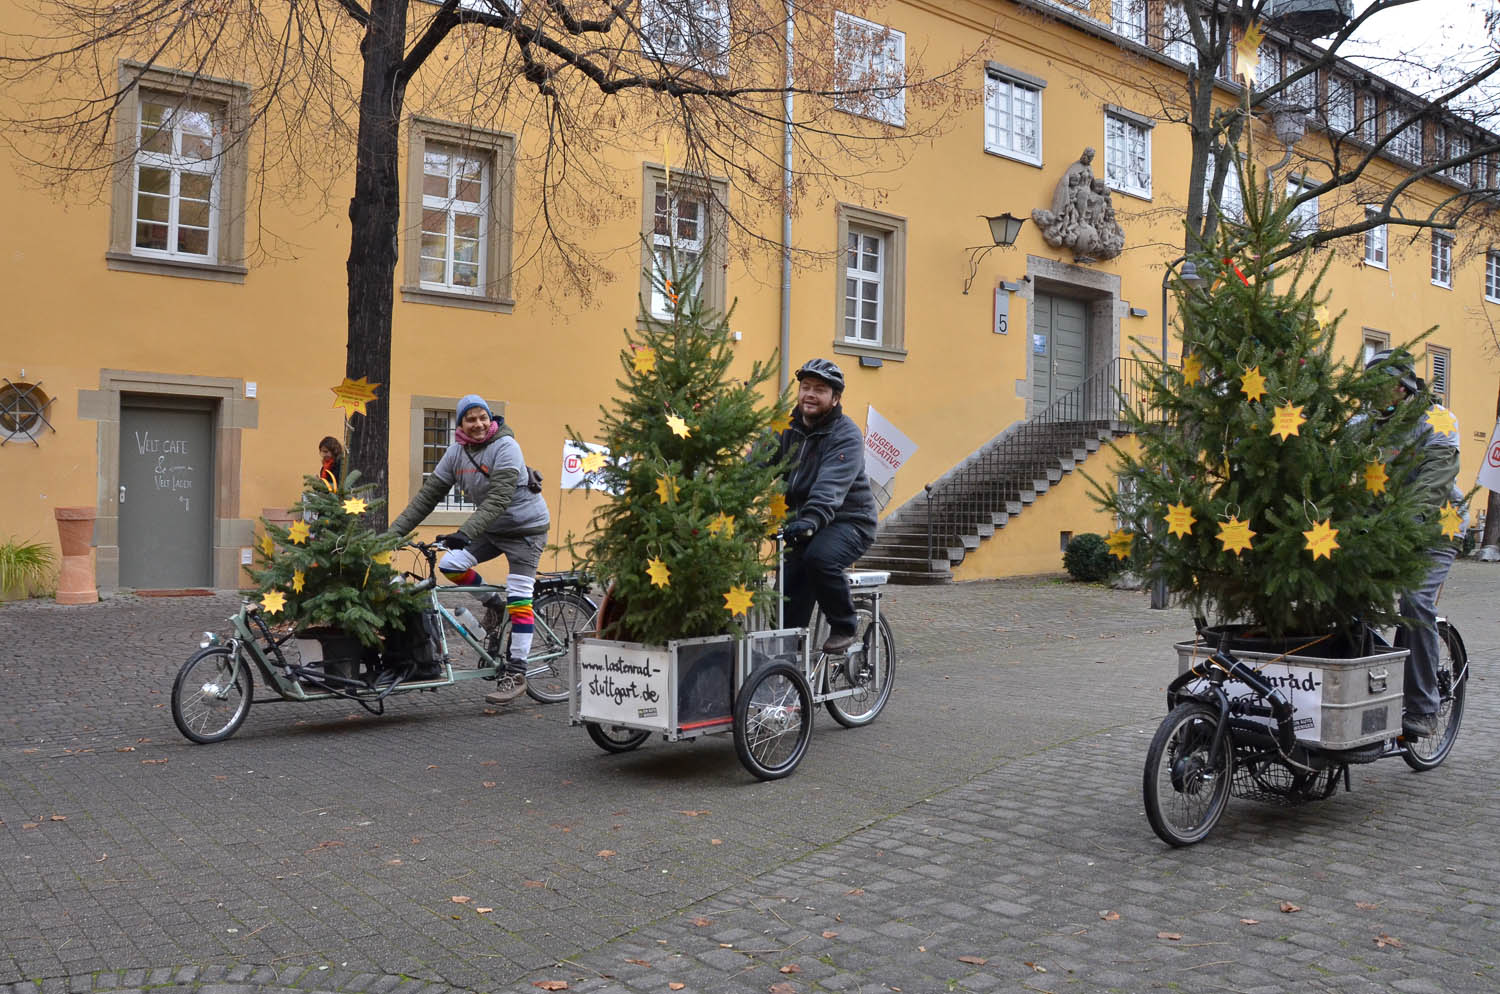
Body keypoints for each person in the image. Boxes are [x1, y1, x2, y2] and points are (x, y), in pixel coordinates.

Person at [390, 394, 550, 704]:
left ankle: (516, 671)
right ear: (460, 423)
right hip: (490, 529)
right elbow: (427, 497)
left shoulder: (506, 447)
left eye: (482, 417)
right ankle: (494, 604)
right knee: (451, 565)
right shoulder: (455, 453)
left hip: (525, 532)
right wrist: (392, 534)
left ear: (491, 420)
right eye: (470, 418)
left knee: (519, 598)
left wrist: (465, 532)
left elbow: (499, 499)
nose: (477, 424)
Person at [1365, 348, 1466, 739]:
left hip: (1437, 528)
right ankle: (1378, 674)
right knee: (1349, 596)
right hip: (1383, 529)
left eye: (1378, 386)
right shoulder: (1365, 423)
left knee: (1414, 600)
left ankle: (1423, 707)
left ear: (1400, 386)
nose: (1370, 394)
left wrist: (1404, 520)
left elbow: (1435, 479)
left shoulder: (1438, 420)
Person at [774, 359, 879, 653]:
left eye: (819, 389)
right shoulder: (785, 428)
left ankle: (845, 624)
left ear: (835, 399)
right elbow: (757, 462)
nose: (809, 394)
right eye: (805, 387)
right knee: (784, 599)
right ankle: (791, 672)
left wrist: (811, 519)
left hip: (849, 522)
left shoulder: (845, 434)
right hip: (804, 523)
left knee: (819, 559)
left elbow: (830, 485)